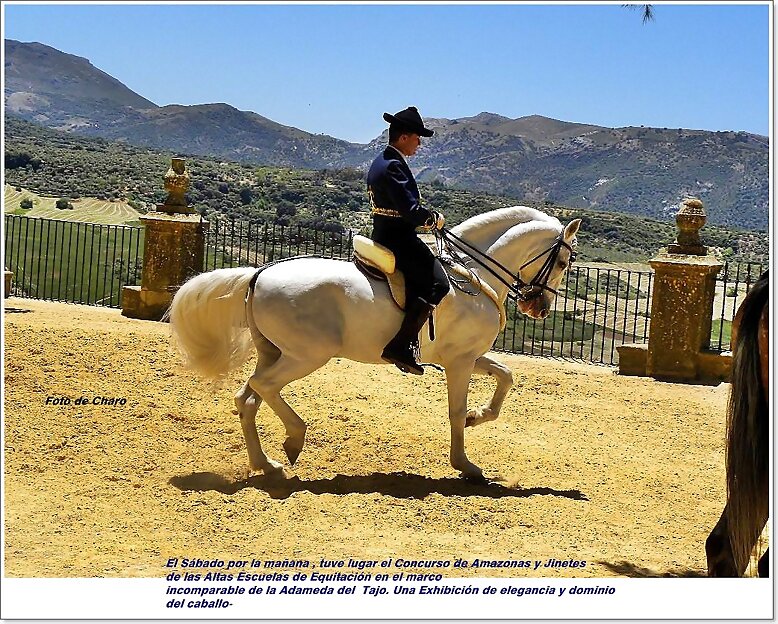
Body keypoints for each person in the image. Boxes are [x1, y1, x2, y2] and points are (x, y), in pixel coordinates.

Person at [367, 106, 450, 375]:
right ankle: (401, 344)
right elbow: (411, 212)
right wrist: (433, 219)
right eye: (417, 138)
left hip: (387, 233)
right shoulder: (392, 166)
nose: (419, 143)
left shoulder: (383, 160)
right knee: (438, 284)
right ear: (404, 137)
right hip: (398, 239)